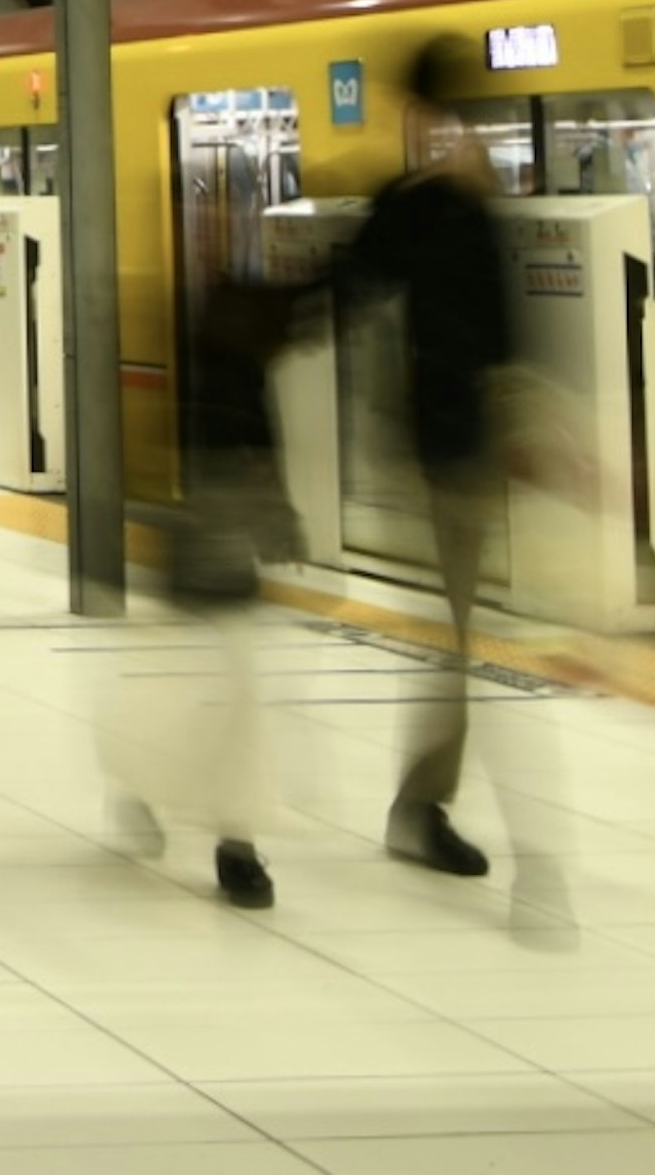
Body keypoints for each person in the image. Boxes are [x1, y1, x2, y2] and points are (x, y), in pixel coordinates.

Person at [332, 48, 547, 904]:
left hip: (458, 437)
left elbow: (353, 290)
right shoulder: (433, 205)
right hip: (444, 443)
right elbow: (361, 291)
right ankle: (420, 806)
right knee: (454, 635)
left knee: (456, 634)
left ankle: (421, 803)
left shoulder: (433, 202)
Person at [106, 271, 313, 911]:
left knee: (209, 690)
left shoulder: (217, 350)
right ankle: (230, 839)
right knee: (218, 692)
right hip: (205, 546)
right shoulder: (224, 363)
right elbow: (247, 453)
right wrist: (277, 518)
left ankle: (228, 832)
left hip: (210, 549)